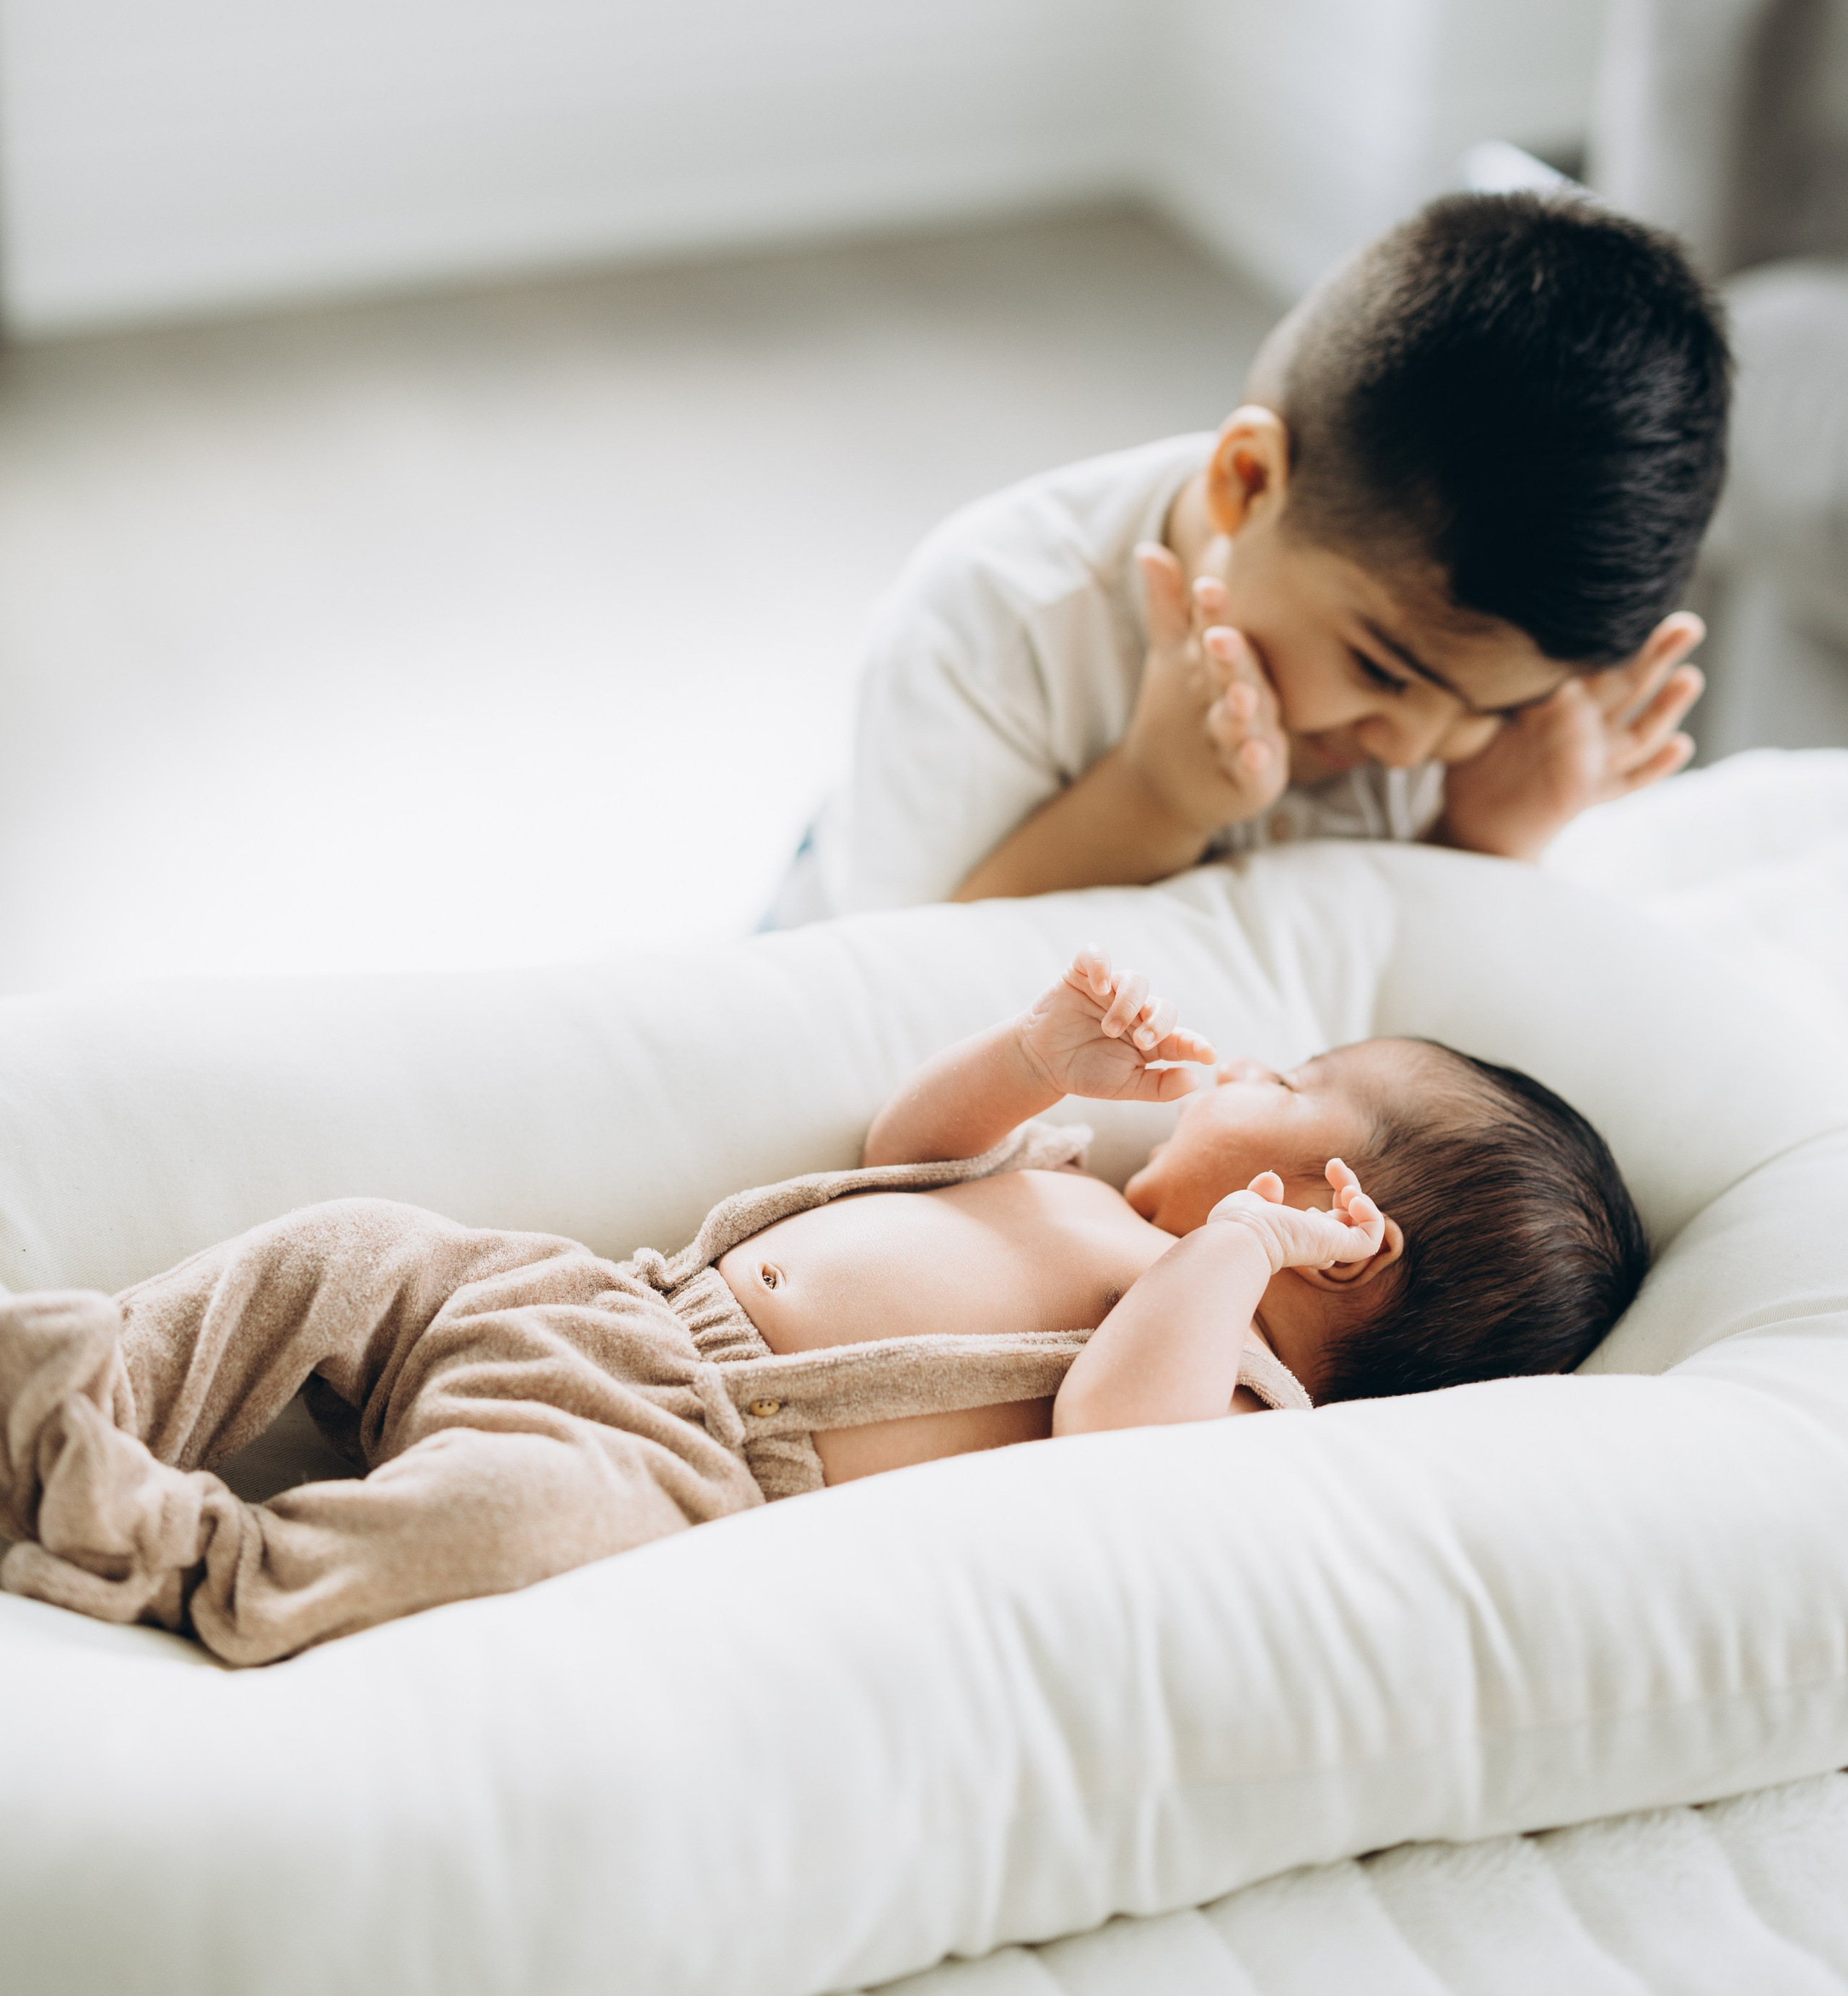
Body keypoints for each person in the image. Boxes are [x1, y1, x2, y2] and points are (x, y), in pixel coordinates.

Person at [0, 950, 1647, 1665]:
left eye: (1289, 1088)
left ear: (1340, 1234)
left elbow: (1105, 1439)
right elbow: (901, 1156)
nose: (1245, 1073)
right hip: (602, 1299)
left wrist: (1234, 1252)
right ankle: (88, 1375)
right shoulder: (1086, 1187)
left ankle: (178, 1547)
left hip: (679, 1460)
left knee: (495, 1529)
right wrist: (1027, 1061)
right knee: (348, 1244)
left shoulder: (1224, 1389)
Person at [768, 191, 1732, 920]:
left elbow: (1388, 1016)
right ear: (1247, 481)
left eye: (1501, 707)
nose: (1418, 748)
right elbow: (905, 999)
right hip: (851, 932)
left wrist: (1482, 845)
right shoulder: (994, 615)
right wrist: (1151, 797)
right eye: (1380, 669)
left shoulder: (1472, 729)